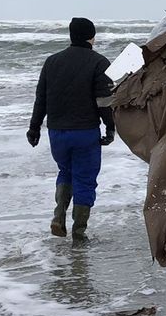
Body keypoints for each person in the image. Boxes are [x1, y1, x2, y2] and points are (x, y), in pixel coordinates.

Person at [27, 17, 116, 242]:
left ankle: (59, 216)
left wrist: (34, 128)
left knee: (65, 172)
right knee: (85, 179)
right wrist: (111, 128)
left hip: (56, 132)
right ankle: (79, 232)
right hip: (85, 132)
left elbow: (41, 98)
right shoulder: (99, 62)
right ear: (92, 36)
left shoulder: (52, 62)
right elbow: (103, 101)